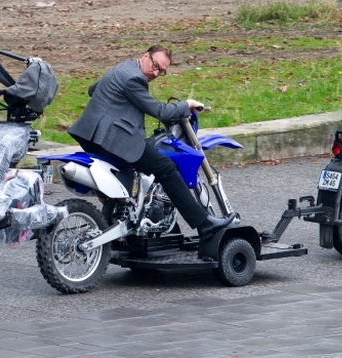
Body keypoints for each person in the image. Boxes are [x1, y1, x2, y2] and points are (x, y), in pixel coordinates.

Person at [68, 45, 236, 238]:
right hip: (109, 139)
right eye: (155, 66)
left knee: (131, 174)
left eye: (161, 71)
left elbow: (93, 90)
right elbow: (160, 111)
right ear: (145, 56)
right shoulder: (135, 79)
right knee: (165, 168)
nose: (156, 73)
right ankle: (204, 224)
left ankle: (128, 218)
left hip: (89, 135)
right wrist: (187, 105)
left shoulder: (123, 68)